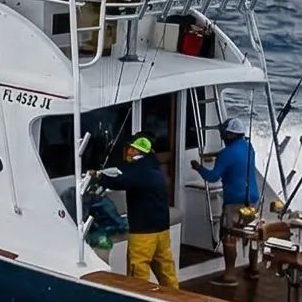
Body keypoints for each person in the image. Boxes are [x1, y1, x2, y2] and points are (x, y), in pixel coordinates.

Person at [97, 133, 178, 290]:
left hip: (143, 233)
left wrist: (99, 177)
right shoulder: (154, 167)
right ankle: (179, 300)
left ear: (137, 152)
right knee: (167, 272)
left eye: (131, 149)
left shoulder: (139, 171)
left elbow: (120, 181)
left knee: (138, 276)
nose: (128, 152)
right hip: (162, 231)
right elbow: (126, 171)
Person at [194, 116, 262, 276]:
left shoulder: (225, 154)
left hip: (234, 201)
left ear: (230, 135)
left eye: (223, 133)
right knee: (252, 234)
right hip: (252, 198)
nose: (222, 136)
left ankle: (230, 275)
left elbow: (212, 177)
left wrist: (198, 168)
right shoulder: (250, 147)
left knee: (229, 235)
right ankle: (254, 269)